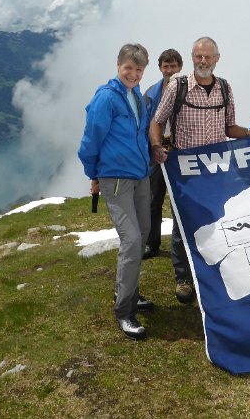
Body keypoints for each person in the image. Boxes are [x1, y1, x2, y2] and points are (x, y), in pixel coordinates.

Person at [149, 37, 250, 304]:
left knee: (216, 220)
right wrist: (157, 146)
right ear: (193, 58)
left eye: (208, 57)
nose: (203, 61)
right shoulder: (178, 86)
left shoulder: (225, 88)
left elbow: (229, 128)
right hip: (185, 168)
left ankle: (213, 272)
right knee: (182, 223)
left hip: (216, 168)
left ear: (217, 58)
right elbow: (157, 122)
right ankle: (183, 279)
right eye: (198, 56)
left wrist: (249, 133)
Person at [78, 43, 154, 340]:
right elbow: (91, 139)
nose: (133, 74)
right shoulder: (106, 98)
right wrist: (93, 174)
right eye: (129, 68)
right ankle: (124, 311)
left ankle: (130, 292)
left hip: (140, 176)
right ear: (118, 65)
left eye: (138, 70)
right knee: (132, 239)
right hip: (116, 179)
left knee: (144, 234)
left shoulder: (136, 97)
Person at [142, 48, 184, 259]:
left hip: (180, 149)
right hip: (157, 149)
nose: (169, 70)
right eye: (166, 66)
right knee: (153, 198)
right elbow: (144, 122)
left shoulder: (188, 89)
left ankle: (185, 241)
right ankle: (152, 242)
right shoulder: (151, 92)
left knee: (180, 199)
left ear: (180, 67)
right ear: (160, 68)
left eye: (173, 66)